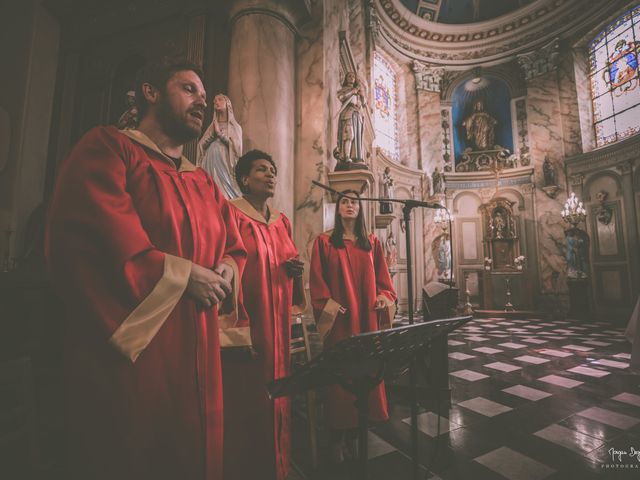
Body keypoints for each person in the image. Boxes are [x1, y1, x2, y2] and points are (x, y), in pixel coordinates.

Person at [45, 58, 247, 480]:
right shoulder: (109, 148)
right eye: (189, 90)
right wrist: (182, 275)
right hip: (138, 355)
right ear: (151, 92)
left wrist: (228, 266)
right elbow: (95, 238)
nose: (202, 103)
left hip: (199, 347)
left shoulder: (203, 181)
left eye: (205, 97)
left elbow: (232, 242)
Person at [222, 149, 306, 480]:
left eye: (273, 170)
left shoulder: (281, 221)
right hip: (248, 327)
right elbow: (227, 262)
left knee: (278, 398)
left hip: (278, 330)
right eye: (261, 170)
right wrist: (236, 330)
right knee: (249, 399)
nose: (271, 175)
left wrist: (295, 271)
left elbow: (289, 266)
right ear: (244, 179)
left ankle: (278, 467)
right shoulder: (231, 215)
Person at [310, 190, 397, 462]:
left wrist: (384, 298)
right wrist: (330, 307)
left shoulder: (371, 242)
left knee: (366, 375)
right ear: (337, 208)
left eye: (354, 202)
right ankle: (336, 436)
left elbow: (385, 283)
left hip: (367, 322)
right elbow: (317, 283)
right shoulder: (324, 242)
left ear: (361, 209)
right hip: (340, 323)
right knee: (340, 379)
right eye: (344, 201)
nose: (349, 205)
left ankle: (356, 434)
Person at [197, 93, 243, 199]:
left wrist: (220, 135)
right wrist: (212, 135)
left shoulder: (235, 127)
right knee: (210, 191)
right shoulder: (212, 126)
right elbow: (201, 145)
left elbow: (238, 149)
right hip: (210, 161)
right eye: (214, 102)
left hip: (225, 163)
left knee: (225, 194)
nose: (216, 103)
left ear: (228, 104)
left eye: (220, 100)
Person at [335, 71, 366, 164]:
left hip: (357, 115)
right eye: (349, 76)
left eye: (353, 76)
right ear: (346, 78)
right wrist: (353, 91)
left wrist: (361, 94)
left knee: (357, 137)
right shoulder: (344, 89)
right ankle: (346, 156)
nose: (351, 77)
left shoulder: (358, 92)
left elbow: (363, 104)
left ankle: (356, 157)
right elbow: (341, 97)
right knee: (349, 135)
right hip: (347, 113)